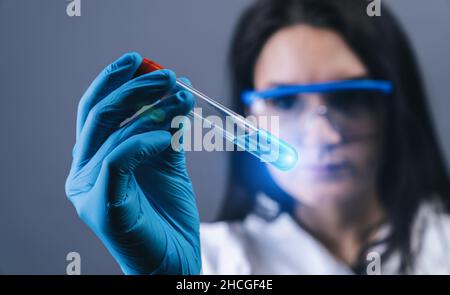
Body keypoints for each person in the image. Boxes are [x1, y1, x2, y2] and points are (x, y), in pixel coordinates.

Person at [65, 0, 450, 275]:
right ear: (247, 116)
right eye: (283, 101)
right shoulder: (208, 264)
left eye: (349, 98)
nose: (322, 134)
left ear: (396, 108)